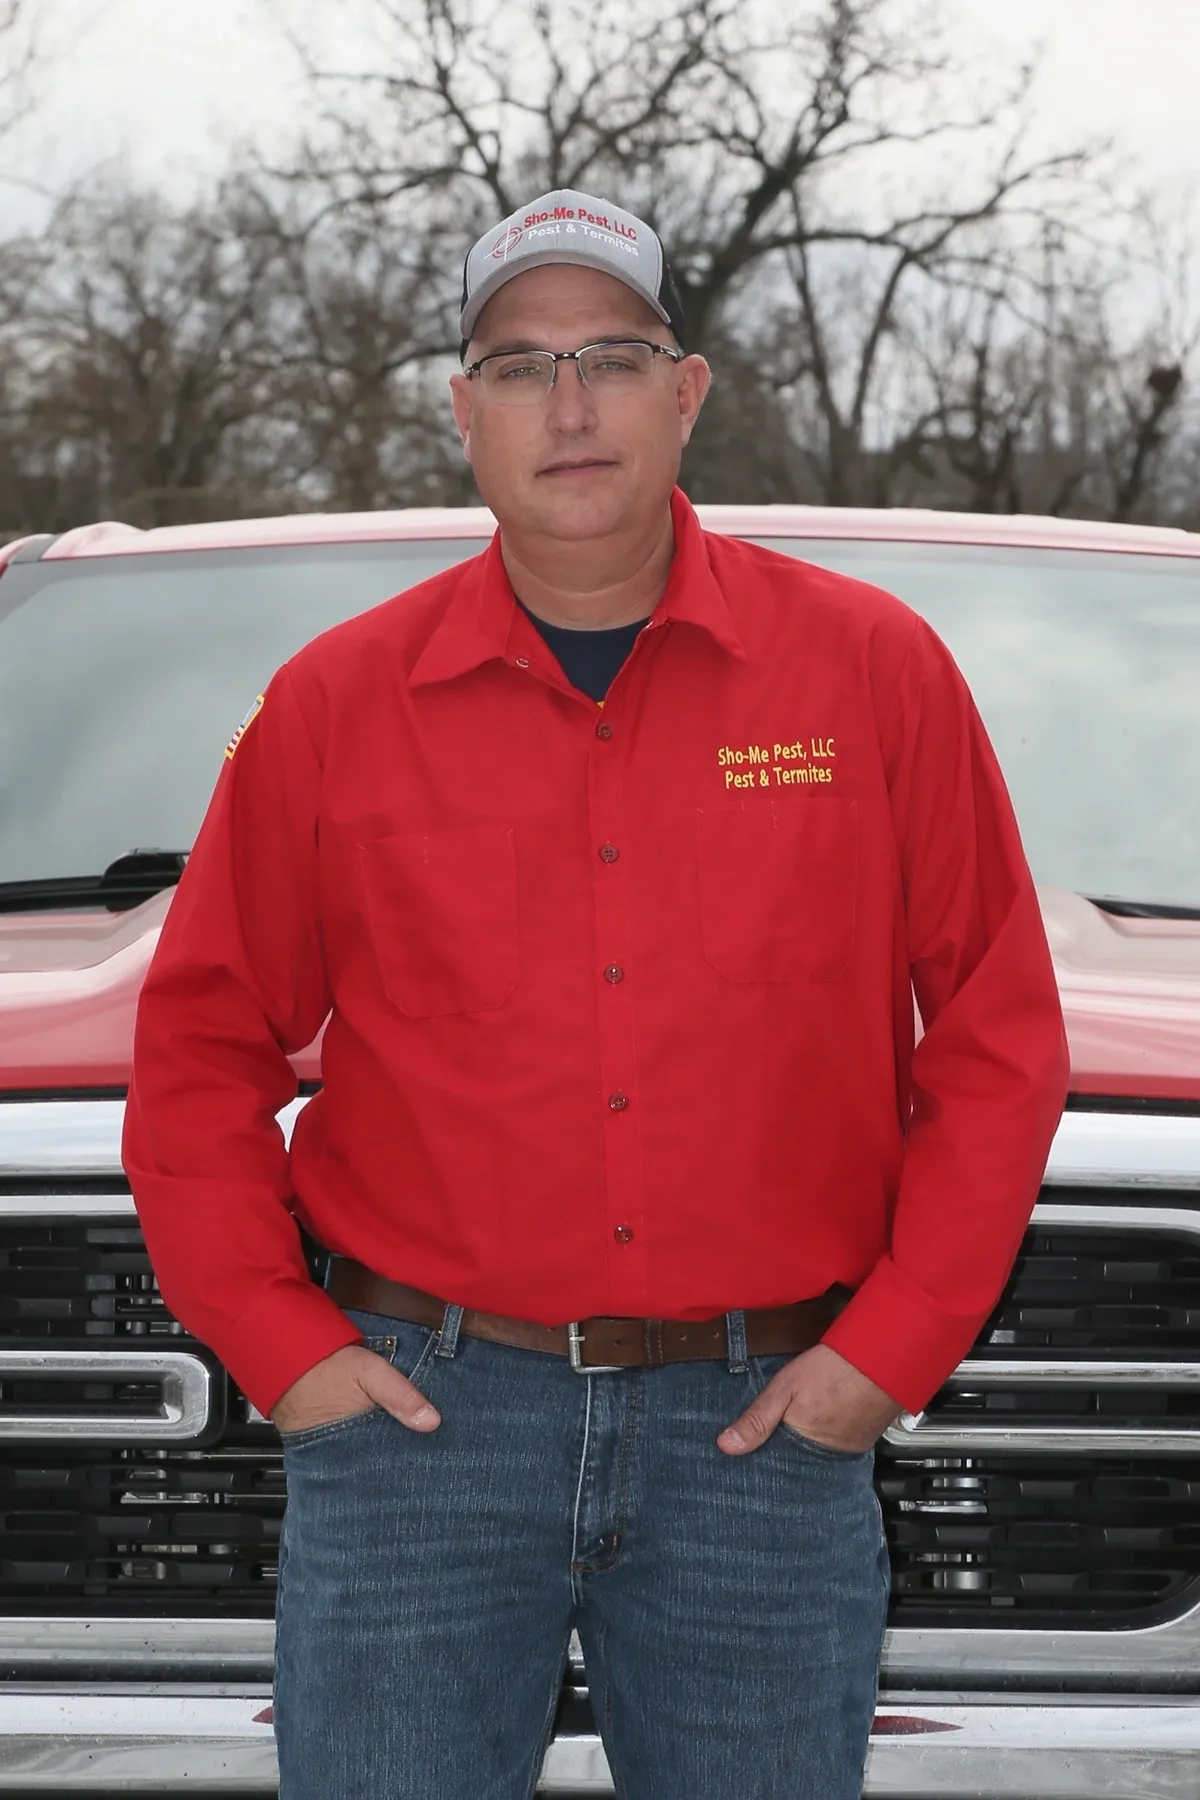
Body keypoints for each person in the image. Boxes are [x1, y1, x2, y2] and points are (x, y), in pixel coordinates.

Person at [123, 187, 1070, 1800]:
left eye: (613, 356)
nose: (569, 405)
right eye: (519, 365)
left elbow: (995, 1034)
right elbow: (203, 1045)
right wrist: (284, 1350)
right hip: (421, 1434)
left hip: (766, 1436)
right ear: (462, 412)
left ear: (685, 392)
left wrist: (886, 1355)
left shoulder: (870, 674)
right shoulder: (333, 706)